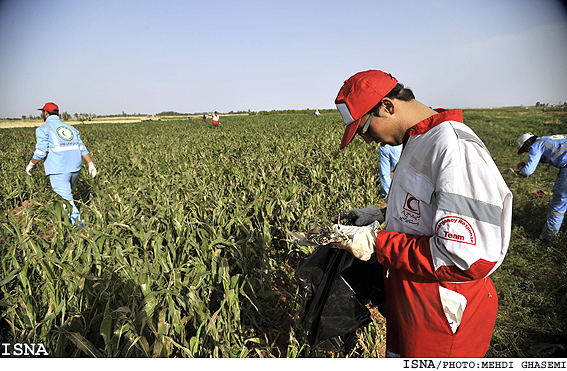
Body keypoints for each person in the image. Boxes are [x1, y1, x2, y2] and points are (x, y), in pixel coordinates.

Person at [330, 70, 512, 357]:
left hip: (443, 313)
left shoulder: (452, 148)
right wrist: (378, 215)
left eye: (364, 129)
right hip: (413, 300)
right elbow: (430, 210)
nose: (365, 140)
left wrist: (377, 243)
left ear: (388, 106)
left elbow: (465, 258)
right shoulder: (419, 139)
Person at [26, 102, 97, 226]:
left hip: (58, 170)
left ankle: (81, 230)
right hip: (75, 168)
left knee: (67, 201)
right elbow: (82, 147)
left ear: (46, 113)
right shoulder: (71, 128)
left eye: (43, 112)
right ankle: (66, 223)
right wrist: (90, 164)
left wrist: (31, 165)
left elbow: (41, 152)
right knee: (66, 197)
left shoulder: (43, 129)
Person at [517, 132, 567, 241]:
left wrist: (521, 168)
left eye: (525, 149)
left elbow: (528, 171)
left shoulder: (536, 145)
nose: (527, 152)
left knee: (558, 206)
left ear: (529, 142)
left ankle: (547, 238)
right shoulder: (550, 139)